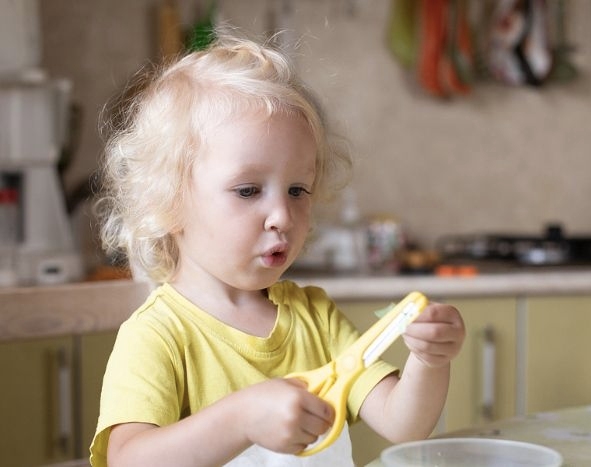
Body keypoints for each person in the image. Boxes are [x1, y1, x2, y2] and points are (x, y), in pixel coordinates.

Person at [89, 31, 465, 467]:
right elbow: (129, 460)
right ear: (168, 203)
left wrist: (429, 359)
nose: (282, 215)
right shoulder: (158, 336)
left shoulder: (315, 317)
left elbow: (405, 425)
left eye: (297, 190)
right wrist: (241, 419)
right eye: (249, 190)